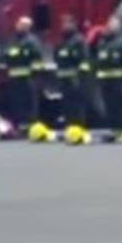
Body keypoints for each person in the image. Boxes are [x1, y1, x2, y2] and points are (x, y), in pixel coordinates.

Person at [0, 16, 48, 140]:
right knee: (16, 104)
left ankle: (31, 128)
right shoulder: (13, 40)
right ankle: (17, 128)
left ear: (28, 27)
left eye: (22, 24)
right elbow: (6, 54)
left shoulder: (31, 41)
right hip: (14, 78)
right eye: (18, 23)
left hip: (28, 79)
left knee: (29, 105)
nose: (19, 26)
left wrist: (35, 75)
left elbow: (37, 59)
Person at [93, 15, 122, 144]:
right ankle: (116, 131)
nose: (109, 26)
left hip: (121, 83)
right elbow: (98, 63)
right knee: (110, 108)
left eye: (112, 24)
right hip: (106, 83)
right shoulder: (102, 43)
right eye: (108, 24)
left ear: (118, 27)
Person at [53, 14, 92, 145]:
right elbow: (56, 59)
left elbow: (85, 61)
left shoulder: (79, 41)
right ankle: (70, 130)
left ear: (73, 25)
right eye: (63, 24)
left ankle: (81, 130)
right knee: (67, 107)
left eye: (67, 23)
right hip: (64, 80)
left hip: (76, 80)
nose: (64, 26)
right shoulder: (61, 42)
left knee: (78, 107)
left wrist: (81, 79)